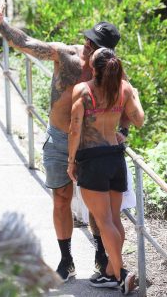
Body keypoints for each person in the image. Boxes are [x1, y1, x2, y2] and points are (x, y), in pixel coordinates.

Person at [0, 8, 131, 282]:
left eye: (95, 45)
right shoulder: (67, 57)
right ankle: (66, 260)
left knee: (97, 206)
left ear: (107, 51)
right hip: (59, 139)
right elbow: (28, 44)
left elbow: (129, 100)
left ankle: (102, 258)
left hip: (93, 145)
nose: (88, 46)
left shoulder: (112, 71)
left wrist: (123, 130)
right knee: (61, 199)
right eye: (88, 40)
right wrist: (1, 25)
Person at [67, 47, 144, 294]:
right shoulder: (124, 88)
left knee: (104, 222)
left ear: (93, 65)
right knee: (113, 219)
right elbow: (139, 120)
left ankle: (122, 274)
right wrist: (136, 95)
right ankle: (111, 272)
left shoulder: (83, 90)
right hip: (115, 158)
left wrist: (71, 161)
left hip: (92, 160)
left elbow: (74, 130)